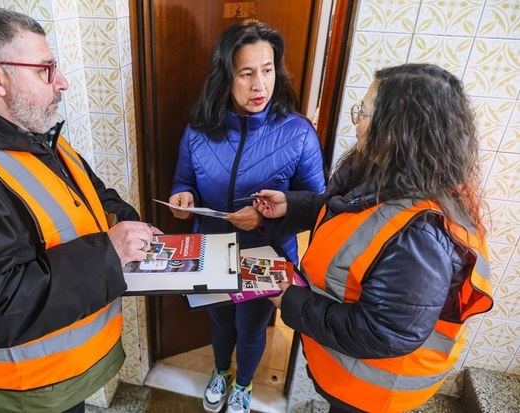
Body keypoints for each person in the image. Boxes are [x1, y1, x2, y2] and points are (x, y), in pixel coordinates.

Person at [0, 8, 158, 413]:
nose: (63, 82)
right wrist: (109, 253)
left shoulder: (32, 134)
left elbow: (89, 192)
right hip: (27, 394)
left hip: (65, 378)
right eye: (45, 70)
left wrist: (125, 220)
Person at [255, 63, 494, 412]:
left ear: (398, 130)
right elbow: (350, 214)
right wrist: (291, 207)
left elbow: (382, 332)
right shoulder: (388, 170)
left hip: (372, 393)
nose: (356, 121)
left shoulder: (422, 236)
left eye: (364, 112)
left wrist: (290, 301)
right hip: (347, 370)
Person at [169, 20, 326, 413]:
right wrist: (182, 196)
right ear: (226, 76)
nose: (260, 86)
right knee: (220, 322)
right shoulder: (199, 129)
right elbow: (183, 179)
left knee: (250, 327)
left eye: (268, 70)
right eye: (247, 73)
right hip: (211, 251)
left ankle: (243, 383)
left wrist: (264, 221)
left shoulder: (299, 133)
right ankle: (221, 371)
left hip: (265, 255)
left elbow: (317, 206)